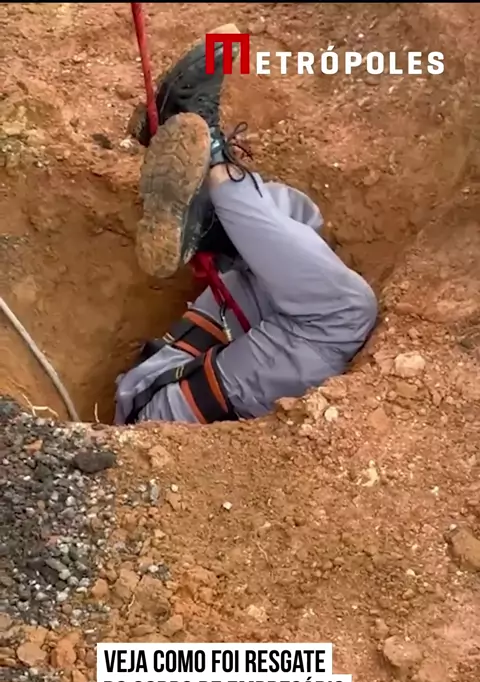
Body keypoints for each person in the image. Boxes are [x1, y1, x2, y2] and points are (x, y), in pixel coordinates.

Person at [114, 40, 378, 426]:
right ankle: (210, 199)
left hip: (164, 404)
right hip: (166, 412)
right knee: (313, 250)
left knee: (328, 282)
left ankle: (209, 197)